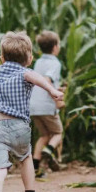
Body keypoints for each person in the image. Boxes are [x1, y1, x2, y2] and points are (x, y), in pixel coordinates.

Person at [0, 31, 64, 192]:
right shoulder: (25, 72)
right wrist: (53, 92)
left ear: (2, 58)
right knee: (25, 157)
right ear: (29, 59)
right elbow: (37, 78)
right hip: (19, 126)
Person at [29, 30, 65, 176]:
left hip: (33, 106)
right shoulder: (55, 63)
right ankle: (48, 151)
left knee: (44, 136)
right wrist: (55, 92)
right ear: (55, 47)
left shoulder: (38, 62)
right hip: (46, 105)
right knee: (58, 133)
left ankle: (35, 168)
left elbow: (39, 80)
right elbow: (47, 80)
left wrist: (57, 87)